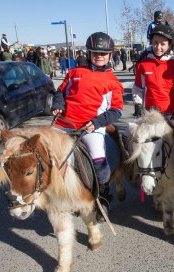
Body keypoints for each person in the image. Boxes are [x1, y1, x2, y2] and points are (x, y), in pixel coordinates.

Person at [51, 32, 124, 209]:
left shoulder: (113, 82)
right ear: (89, 53)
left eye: (103, 54)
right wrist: (58, 103)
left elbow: (117, 110)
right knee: (47, 157)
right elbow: (60, 91)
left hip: (90, 126)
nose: (99, 57)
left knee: (99, 162)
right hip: (64, 124)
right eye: (96, 53)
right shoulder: (74, 72)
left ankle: (103, 193)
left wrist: (98, 123)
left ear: (110, 55)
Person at [132, 24, 174, 186]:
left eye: (162, 43)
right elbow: (138, 89)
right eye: (155, 42)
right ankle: (137, 170)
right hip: (151, 115)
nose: (158, 47)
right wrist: (138, 105)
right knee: (130, 136)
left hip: (172, 114)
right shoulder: (143, 65)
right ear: (151, 43)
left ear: (169, 45)